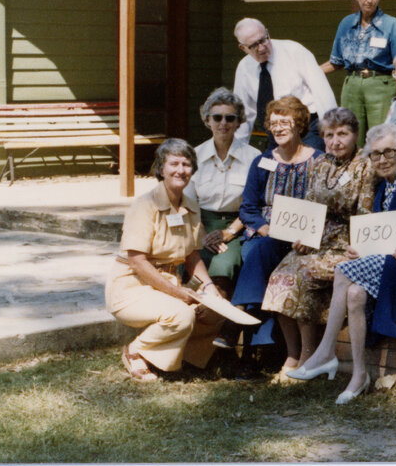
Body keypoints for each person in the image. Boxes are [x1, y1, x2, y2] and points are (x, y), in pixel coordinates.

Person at [289, 123, 396, 404]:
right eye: (375, 154)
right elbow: (379, 235)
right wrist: (361, 250)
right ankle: (359, 375)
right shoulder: (382, 188)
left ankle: (326, 351)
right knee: (354, 293)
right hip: (384, 263)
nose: (382, 159)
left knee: (342, 269)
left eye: (388, 152)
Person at [261, 107, 375, 368]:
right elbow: (310, 205)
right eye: (329, 135)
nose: (335, 141)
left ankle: (308, 356)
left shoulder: (365, 166)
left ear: (356, 135)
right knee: (280, 275)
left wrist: (357, 247)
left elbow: (365, 214)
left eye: (343, 134)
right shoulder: (321, 163)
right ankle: (292, 353)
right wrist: (303, 235)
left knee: (303, 276)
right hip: (317, 238)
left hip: (346, 243)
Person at [105, 139, 224, 381]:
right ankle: (136, 351)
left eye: (187, 164)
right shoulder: (144, 205)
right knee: (181, 314)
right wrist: (177, 293)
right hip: (131, 285)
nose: (181, 170)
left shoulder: (190, 205)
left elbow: (191, 255)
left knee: (215, 310)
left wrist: (209, 287)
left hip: (168, 282)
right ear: (161, 168)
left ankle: (184, 358)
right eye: (174, 163)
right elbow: (137, 261)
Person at [232, 95, 322, 376]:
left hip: (303, 239)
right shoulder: (262, 162)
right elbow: (247, 208)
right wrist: (263, 227)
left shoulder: (319, 161)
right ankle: (259, 350)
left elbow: (325, 205)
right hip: (266, 233)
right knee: (260, 250)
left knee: (260, 257)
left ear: (299, 124)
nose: (278, 128)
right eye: (273, 124)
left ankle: (237, 327)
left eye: (285, 122)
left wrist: (309, 235)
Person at [183, 88, 261, 350]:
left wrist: (229, 232)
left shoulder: (253, 158)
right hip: (199, 225)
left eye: (230, 118)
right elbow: (188, 203)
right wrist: (203, 234)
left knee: (224, 264)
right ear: (207, 120)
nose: (223, 124)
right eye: (217, 118)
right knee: (193, 265)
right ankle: (192, 341)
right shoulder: (194, 156)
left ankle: (213, 345)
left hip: (238, 226)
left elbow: (254, 204)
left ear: (239, 122)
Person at [320, 0, 396, 147]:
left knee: (381, 137)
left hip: (380, 85)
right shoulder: (346, 23)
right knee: (349, 135)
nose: (369, 0)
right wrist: (307, 73)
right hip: (352, 85)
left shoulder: (391, 24)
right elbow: (335, 62)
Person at [232, 17, 335, 151]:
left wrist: (331, 134)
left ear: (267, 33)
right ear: (243, 48)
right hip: (275, 132)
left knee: (310, 167)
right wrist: (238, 149)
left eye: (263, 40)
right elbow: (243, 111)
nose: (261, 48)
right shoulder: (244, 68)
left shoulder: (294, 51)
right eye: (253, 45)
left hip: (306, 128)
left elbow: (322, 93)